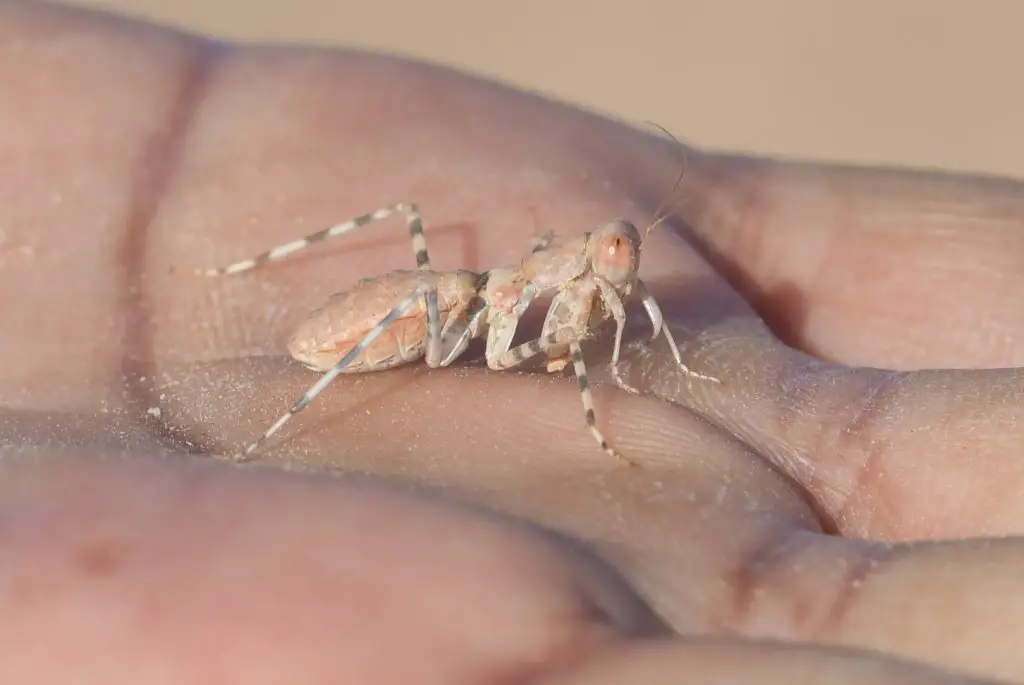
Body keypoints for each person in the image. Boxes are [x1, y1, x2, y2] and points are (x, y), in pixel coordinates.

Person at [2, 2, 1020, 683]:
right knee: (411, 248)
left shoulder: (584, 292)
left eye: (618, 261)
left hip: (470, 306)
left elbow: (605, 331)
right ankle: (252, 332)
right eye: (611, 259)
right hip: (416, 317)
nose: (617, 274)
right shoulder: (507, 302)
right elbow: (575, 357)